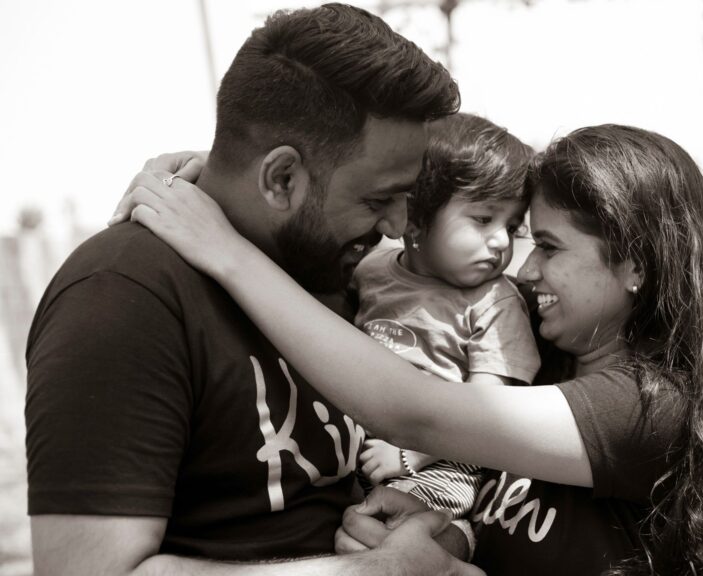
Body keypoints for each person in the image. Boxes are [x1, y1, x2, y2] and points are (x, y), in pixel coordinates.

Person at [119, 124, 703, 575]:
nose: (524, 268)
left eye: (549, 246)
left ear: (633, 264)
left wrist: (223, 249)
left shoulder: (649, 409)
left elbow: (418, 412)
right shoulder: (553, 346)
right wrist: (223, 177)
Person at [23, 4, 481, 575]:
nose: (396, 226)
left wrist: (440, 536)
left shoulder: (333, 267)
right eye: (375, 200)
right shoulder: (122, 296)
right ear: (281, 178)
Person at [353, 112, 540, 517]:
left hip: (441, 461)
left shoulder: (495, 302)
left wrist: (410, 455)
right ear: (415, 221)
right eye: (483, 219)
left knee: (395, 531)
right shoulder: (370, 271)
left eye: (512, 226)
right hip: (363, 443)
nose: (500, 241)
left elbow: (484, 410)